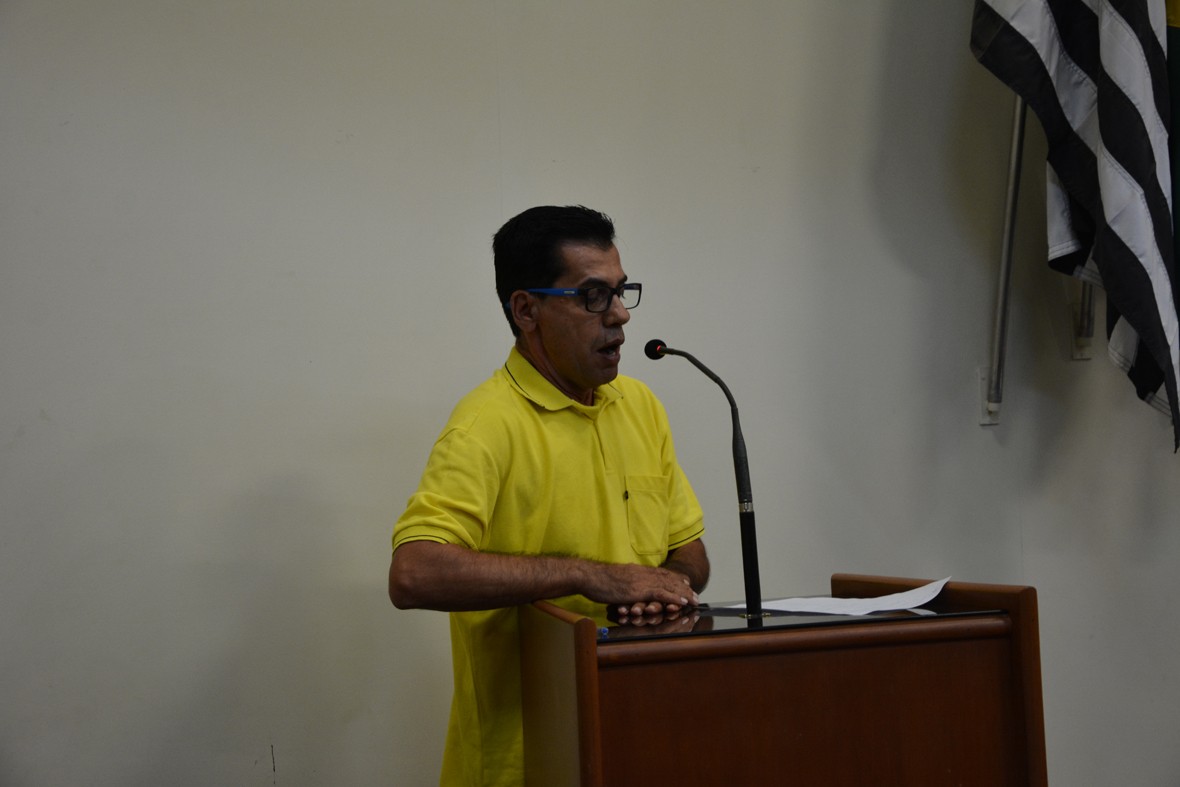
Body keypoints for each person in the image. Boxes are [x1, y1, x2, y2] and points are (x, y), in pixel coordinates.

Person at [388, 205, 709, 786]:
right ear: (526, 310)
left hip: (634, 741)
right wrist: (592, 577)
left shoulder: (640, 407)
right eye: (592, 296)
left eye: (620, 291)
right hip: (523, 765)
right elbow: (414, 573)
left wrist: (663, 588)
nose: (619, 315)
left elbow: (689, 554)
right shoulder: (486, 424)